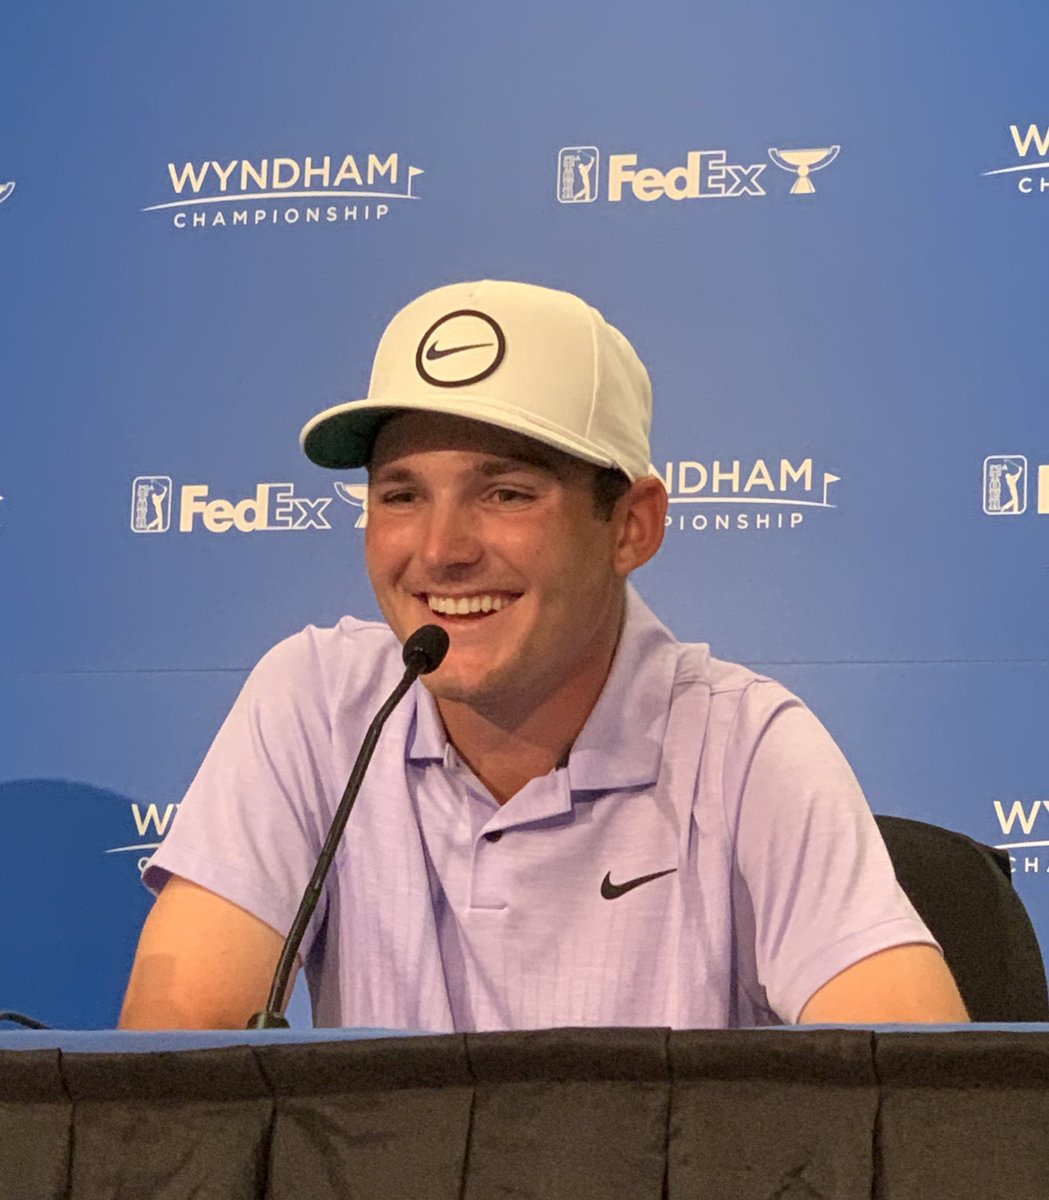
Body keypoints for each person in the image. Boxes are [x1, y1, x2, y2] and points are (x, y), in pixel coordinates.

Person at [119, 280, 968, 1031]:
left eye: (506, 494)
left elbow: (915, 1104)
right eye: (401, 495)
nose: (442, 550)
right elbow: (174, 1069)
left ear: (630, 526)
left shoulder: (742, 747)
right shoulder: (316, 701)